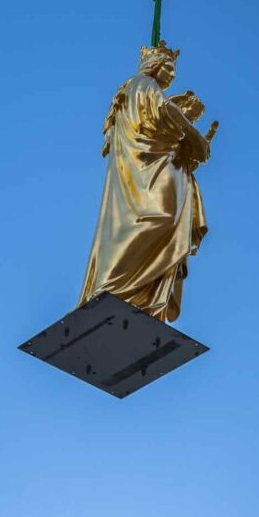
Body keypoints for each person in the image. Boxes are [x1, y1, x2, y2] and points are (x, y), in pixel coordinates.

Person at [78, 41, 216, 322]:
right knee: (162, 219)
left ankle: (141, 297)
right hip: (146, 173)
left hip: (155, 167)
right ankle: (115, 287)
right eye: (167, 67)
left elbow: (163, 124)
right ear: (152, 66)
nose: (170, 76)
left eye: (173, 72)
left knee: (162, 222)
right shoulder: (142, 84)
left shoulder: (143, 90)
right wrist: (193, 135)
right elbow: (165, 113)